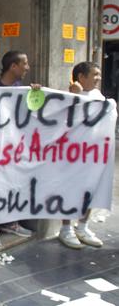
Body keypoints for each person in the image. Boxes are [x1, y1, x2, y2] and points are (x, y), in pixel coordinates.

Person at [0, 50, 35, 247]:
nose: (27, 68)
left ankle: (9, 222)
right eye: (25, 63)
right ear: (13, 66)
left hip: (15, 150)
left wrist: (36, 95)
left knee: (12, 183)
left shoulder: (22, 89)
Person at [58, 62, 104, 249]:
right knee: (70, 191)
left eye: (99, 74)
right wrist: (75, 96)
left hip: (93, 153)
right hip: (73, 155)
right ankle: (66, 229)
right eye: (95, 74)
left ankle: (83, 226)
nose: (98, 78)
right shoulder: (67, 95)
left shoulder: (98, 96)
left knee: (91, 190)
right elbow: (63, 121)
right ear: (81, 77)